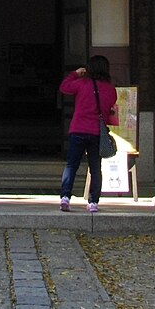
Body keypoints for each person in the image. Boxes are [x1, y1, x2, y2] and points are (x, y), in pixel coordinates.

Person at [58, 54, 118, 213]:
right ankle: (93, 202)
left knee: (72, 165)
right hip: (97, 132)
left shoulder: (81, 84)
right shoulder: (110, 89)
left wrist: (75, 74)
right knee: (95, 168)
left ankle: (65, 197)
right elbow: (110, 108)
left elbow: (64, 87)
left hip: (78, 129)